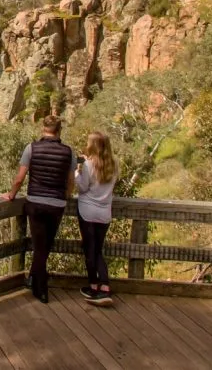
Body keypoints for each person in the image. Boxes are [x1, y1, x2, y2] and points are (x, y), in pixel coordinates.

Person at [0, 115, 75, 304]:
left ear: (43, 128)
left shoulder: (31, 148)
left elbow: (20, 178)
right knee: (45, 246)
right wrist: (67, 195)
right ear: (59, 130)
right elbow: (70, 180)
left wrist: (11, 194)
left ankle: (40, 288)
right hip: (57, 204)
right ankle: (36, 283)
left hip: (35, 204)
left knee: (40, 246)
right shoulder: (68, 152)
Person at [76, 131, 118, 306]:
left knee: (89, 250)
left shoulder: (88, 165)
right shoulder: (114, 165)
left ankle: (96, 287)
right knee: (98, 250)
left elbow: (82, 187)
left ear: (92, 145)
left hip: (87, 211)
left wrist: (77, 172)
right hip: (104, 213)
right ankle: (103, 286)